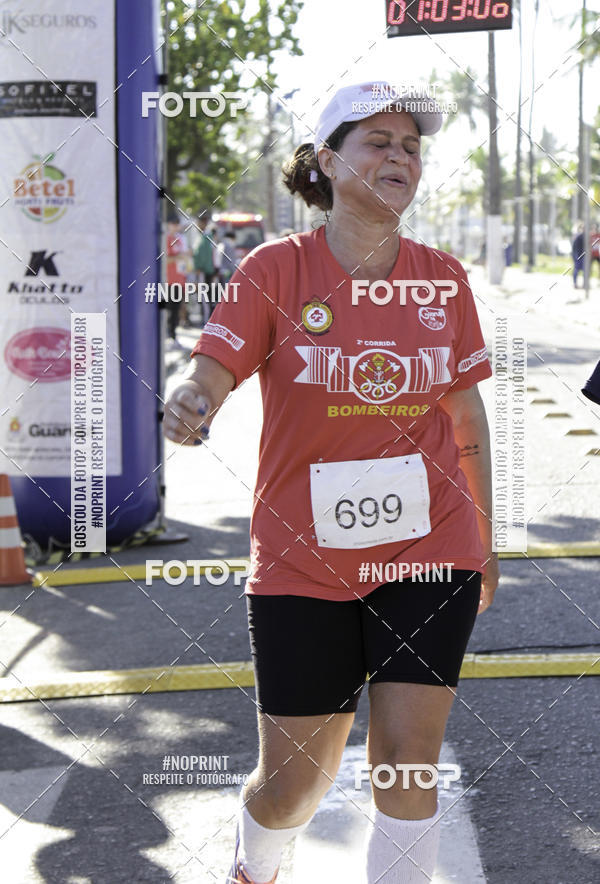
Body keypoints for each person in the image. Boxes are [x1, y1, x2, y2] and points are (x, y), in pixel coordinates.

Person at [163, 79, 498, 884]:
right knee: (293, 789)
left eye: (412, 147)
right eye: (378, 142)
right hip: (303, 560)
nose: (401, 158)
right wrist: (191, 399)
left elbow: (468, 421)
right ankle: (256, 859)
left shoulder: (442, 279)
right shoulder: (275, 270)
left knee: (407, 763)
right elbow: (212, 371)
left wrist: (486, 540)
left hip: (429, 547)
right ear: (326, 161)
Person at [165, 215, 190, 345]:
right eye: (173, 223)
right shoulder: (167, 239)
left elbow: (184, 259)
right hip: (169, 280)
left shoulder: (179, 240)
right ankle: (170, 336)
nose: (175, 226)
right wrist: (178, 257)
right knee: (170, 310)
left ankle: (173, 336)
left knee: (177, 309)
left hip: (180, 280)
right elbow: (165, 260)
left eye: (177, 223)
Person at [194, 211, 215, 323]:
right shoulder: (208, 235)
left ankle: (207, 319)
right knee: (207, 295)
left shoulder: (205, 236)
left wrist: (198, 267)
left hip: (203, 270)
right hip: (208, 270)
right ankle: (207, 318)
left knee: (204, 296)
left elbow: (202, 255)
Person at [572, 223, 585, 288]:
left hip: (583, 256)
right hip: (578, 255)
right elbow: (575, 248)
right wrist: (576, 257)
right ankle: (575, 283)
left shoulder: (584, 236)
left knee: (585, 270)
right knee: (576, 269)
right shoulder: (578, 236)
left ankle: (584, 284)